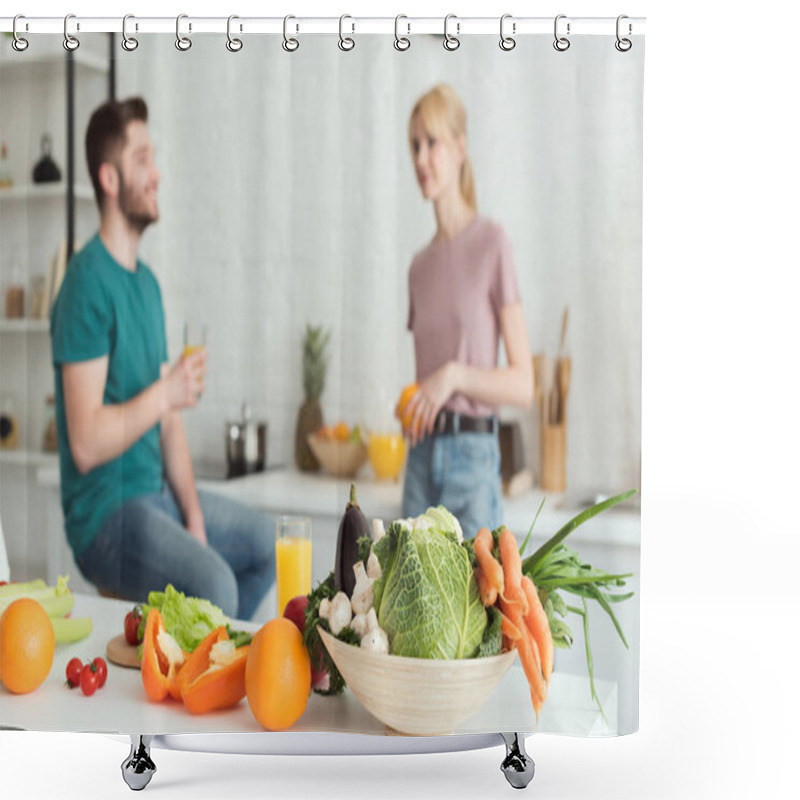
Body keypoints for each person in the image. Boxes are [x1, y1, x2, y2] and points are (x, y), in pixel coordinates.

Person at [50, 97, 274, 620]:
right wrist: (165, 393)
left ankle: (188, 666)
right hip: (107, 515)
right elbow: (84, 443)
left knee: (264, 543)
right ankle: (192, 676)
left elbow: (168, 422)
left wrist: (194, 519)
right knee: (217, 585)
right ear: (109, 179)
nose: (157, 173)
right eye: (143, 158)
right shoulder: (86, 282)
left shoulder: (146, 286)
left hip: (157, 498)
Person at [400, 84, 534, 539]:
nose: (420, 158)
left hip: (473, 459)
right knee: (400, 606)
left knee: (476, 607)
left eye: (431, 143)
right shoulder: (417, 267)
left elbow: (524, 384)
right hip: (419, 457)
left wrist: (454, 375)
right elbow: (425, 387)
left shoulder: (491, 244)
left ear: (460, 148)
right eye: (414, 145)